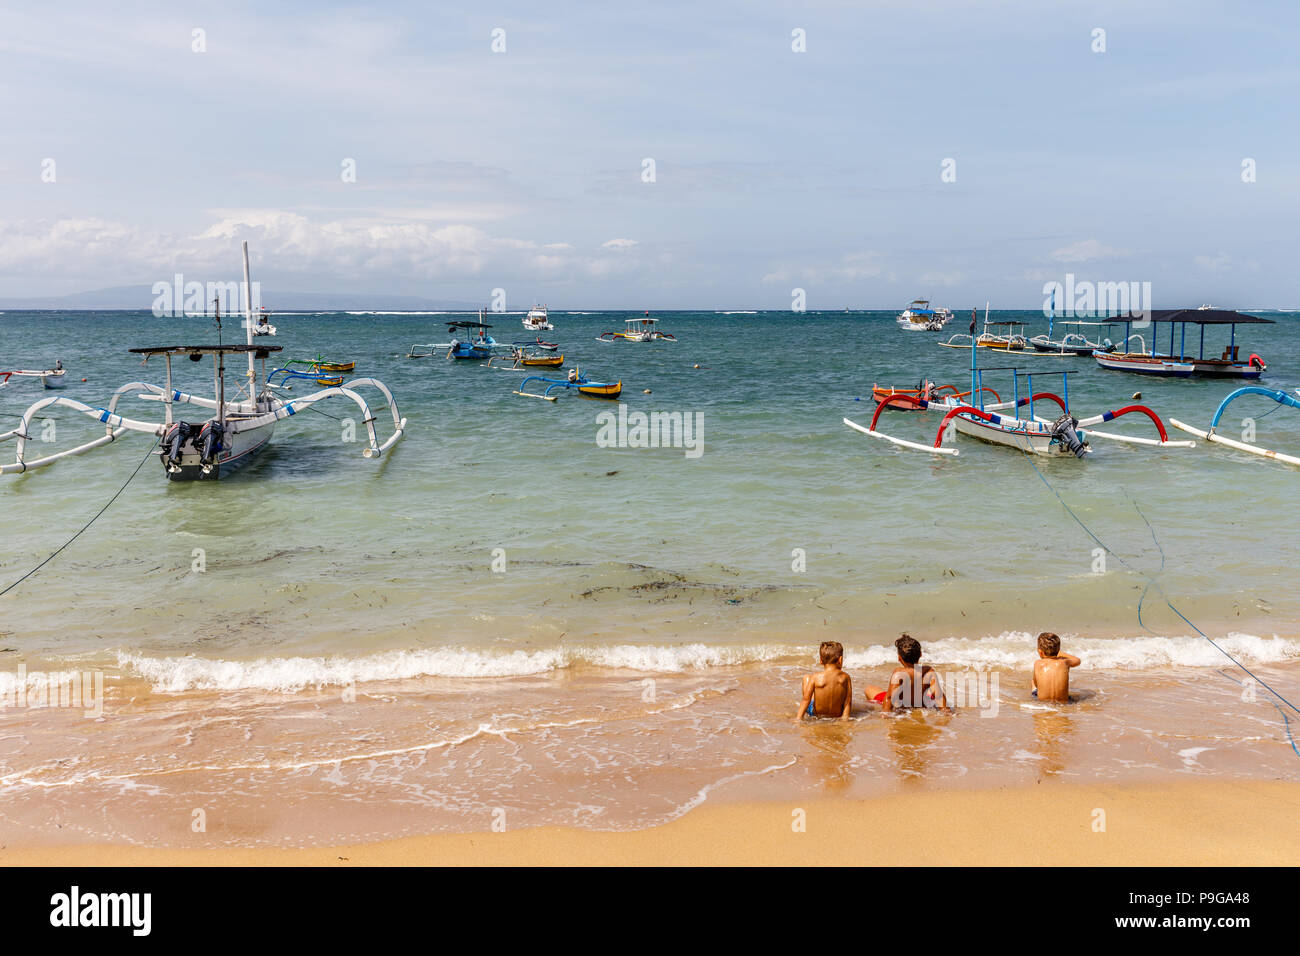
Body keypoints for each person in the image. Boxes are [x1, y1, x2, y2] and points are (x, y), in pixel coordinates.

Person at [864, 634, 948, 711]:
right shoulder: (928, 671)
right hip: (920, 704)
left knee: (869, 689)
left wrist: (885, 713)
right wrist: (946, 711)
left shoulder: (899, 673)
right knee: (929, 693)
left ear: (899, 658)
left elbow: (889, 698)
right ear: (920, 654)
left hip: (902, 707)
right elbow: (939, 696)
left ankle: (872, 708)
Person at [796, 641, 853, 721]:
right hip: (837, 715)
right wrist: (845, 718)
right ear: (840, 659)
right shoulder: (846, 677)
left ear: (821, 661)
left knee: (806, 678)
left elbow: (806, 699)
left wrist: (798, 718)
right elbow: (848, 701)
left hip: (816, 714)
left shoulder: (816, 677)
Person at [1032, 632, 1080, 702]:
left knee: (1033, 681)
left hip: (1043, 702)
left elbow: (1036, 684)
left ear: (1040, 652)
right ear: (1058, 650)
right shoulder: (1064, 662)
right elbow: (1077, 660)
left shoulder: (1037, 663)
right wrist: (1061, 654)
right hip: (1064, 702)